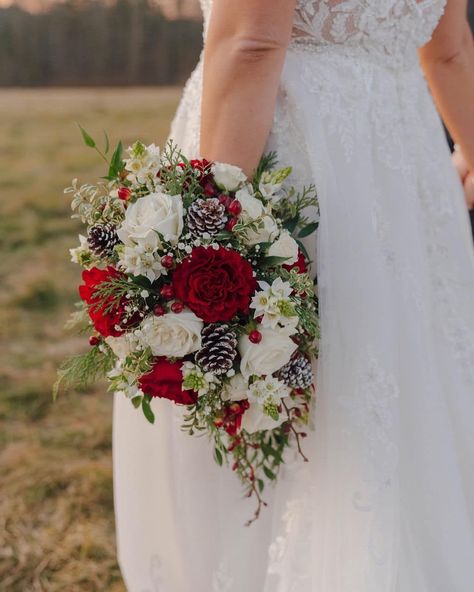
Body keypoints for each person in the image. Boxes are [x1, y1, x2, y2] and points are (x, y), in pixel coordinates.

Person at [113, 1, 474, 590]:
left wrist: (212, 240)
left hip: (296, 149)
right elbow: (450, 47)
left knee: (279, 397)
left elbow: (251, 42)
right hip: (405, 160)